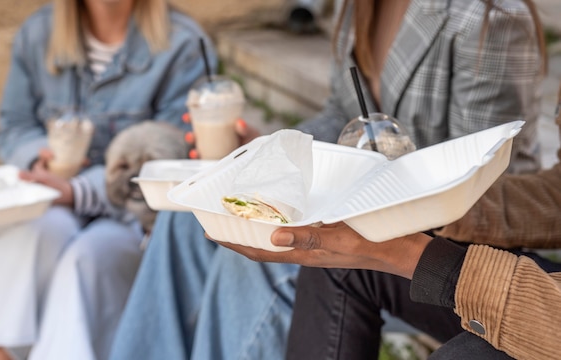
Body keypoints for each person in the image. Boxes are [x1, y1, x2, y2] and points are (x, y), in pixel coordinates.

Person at [110, 0, 547, 359]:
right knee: (188, 219)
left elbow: (484, 169)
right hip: (354, 201)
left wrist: (368, 198)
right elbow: (342, 116)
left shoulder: (488, 19)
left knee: (256, 250)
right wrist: (270, 155)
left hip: (453, 238)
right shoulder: (358, 7)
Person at [215, 85, 561, 359]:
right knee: (340, 264)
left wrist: (417, 255)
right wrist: (417, 200)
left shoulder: (483, 18)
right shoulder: (354, 21)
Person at [0, 0, 214, 359]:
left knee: (85, 262)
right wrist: (42, 156)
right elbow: (15, 125)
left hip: (136, 216)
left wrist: (79, 189)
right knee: (29, 240)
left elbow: (171, 158)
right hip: (57, 199)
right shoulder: (38, 33)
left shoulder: (181, 44)